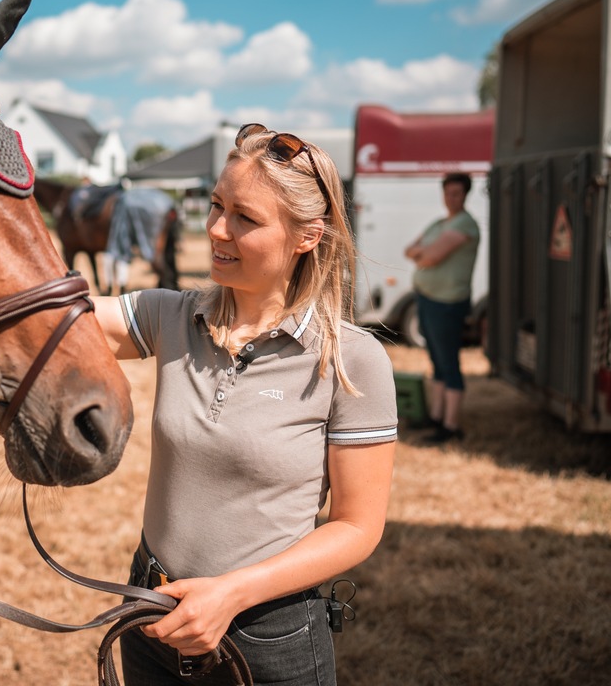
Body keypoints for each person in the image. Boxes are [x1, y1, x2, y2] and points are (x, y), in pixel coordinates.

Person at [93, 123, 398, 685]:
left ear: (308, 235)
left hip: (266, 635)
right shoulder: (173, 316)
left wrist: (230, 594)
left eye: (244, 218)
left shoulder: (351, 360)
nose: (215, 230)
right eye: (215, 206)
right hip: (150, 608)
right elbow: (57, 322)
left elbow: (357, 526)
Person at [403, 172, 480, 443]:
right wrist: (422, 253)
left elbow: (431, 257)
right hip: (427, 299)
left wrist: (423, 254)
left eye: (456, 193)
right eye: (448, 193)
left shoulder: (465, 224)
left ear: (465, 195)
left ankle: (451, 425)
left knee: (448, 363)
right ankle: (436, 418)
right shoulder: (440, 223)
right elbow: (409, 249)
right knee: (436, 362)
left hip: (447, 304)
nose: (451, 198)